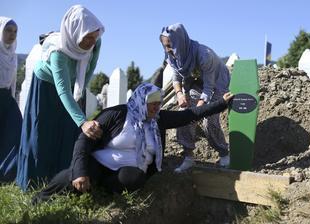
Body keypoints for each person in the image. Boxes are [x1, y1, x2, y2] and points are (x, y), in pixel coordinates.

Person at [32, 83, 233, 203]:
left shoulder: (158, 119)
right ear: (140, 100)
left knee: (136, 178)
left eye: (158, 102)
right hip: (100, 163)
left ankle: (102, 190)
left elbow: (189, 115)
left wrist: (221, 103)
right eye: (151, 102)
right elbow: (84, 141)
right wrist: (80, 171)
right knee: (74, 177)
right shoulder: (116, 115)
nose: (156, 107)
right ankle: (42, 198)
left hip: (122, 172)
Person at [16, 5, 105, 191]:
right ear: (75, 33)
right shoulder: (58, 52)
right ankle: (35, 182)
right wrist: (82, 121)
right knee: (43, 133)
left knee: (67, 132)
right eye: (87, 37)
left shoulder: (95, 42)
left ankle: (61, 177)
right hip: (46, 87)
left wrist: (79, 91)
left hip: (71, 85)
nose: (91, 42)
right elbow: (62, 90)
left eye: (94, 37)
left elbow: (89, 68)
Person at [160, 23, 231, 173]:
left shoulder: (204, 55)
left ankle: (224, 153)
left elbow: (209, 87)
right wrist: (180, 95)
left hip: (217, 84)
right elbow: (176, 77)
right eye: (165, 46)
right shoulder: (173, 55)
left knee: (208, 119)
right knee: (183, 114)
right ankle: (188, 157)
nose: (167, 50)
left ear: (179, 41)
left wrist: (200, 107)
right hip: (197, 83)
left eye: (170, 45)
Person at [0, 17, 22, 182]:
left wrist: (12, 98)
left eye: (15, 31)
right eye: (8, 30)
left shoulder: (12, 55)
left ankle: (7, 172)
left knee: (15, 132)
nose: (12, 34)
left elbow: (12, 81)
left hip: (7, 99)